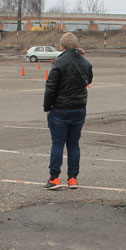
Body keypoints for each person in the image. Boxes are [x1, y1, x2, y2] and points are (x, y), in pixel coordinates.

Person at [43, 32, 93, 190]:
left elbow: (50, 87)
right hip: (78, 108)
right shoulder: (85, 63)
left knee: (57, 144)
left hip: (60, 108)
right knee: (73, 144)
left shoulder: (58, 63)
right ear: (77, 46)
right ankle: (72, 178)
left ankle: (54, 178)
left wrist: (47, 107)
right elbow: (89, 80)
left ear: (61, 47)